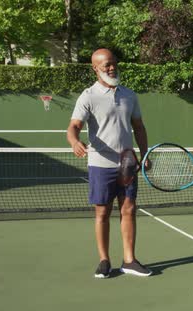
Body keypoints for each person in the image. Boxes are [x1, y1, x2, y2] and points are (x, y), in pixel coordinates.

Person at [67, 48, 152, 278]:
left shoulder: (129, 95)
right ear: (95, 68)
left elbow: (139, 127)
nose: (112, 67)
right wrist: (75, 141)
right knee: (102, 213)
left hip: (127, 163)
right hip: (100, 164)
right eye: (106, 65)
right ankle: (104, 260)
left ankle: (129, 260)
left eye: (114, 63)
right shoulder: (88, 96)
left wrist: (144, 155)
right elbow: (74, 126)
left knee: (129, 209)